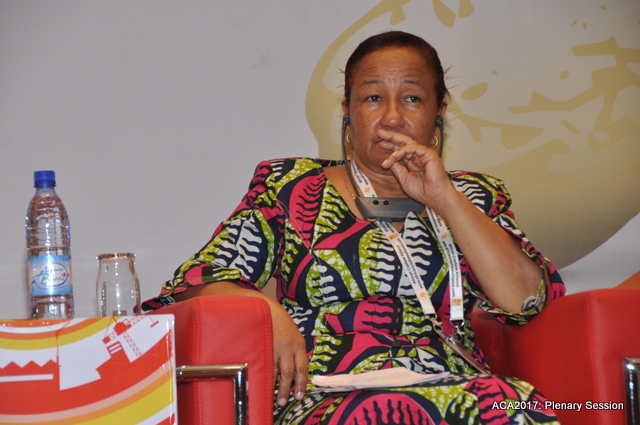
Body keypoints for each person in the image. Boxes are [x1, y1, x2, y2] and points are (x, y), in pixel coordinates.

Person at [143, 31, 565, 424]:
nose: (393, 118)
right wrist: (266, 310)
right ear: (348, 109)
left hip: (455, 385)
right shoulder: (290, 187)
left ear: (439, 111)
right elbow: (198, 281)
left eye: (413, 98)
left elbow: (526, 301)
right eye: (373, 98)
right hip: (326, 391)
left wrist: (444, 198)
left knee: (523, 407)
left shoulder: (474, 195)